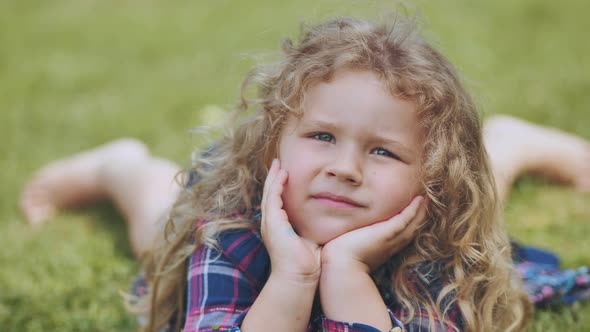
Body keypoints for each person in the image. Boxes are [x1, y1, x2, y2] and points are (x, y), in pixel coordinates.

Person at [19, 17, 590, 332]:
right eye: (321, 137)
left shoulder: (438, 245)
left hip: (416, 217)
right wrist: (292, 276)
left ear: (432, 183)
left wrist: (345, 273)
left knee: (481, 198)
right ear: (274, 144)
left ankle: (505, 145)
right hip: (242, 210)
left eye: (383, 152)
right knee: (154, 223)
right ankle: (123, 164)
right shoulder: (229, 225)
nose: (343, 169)